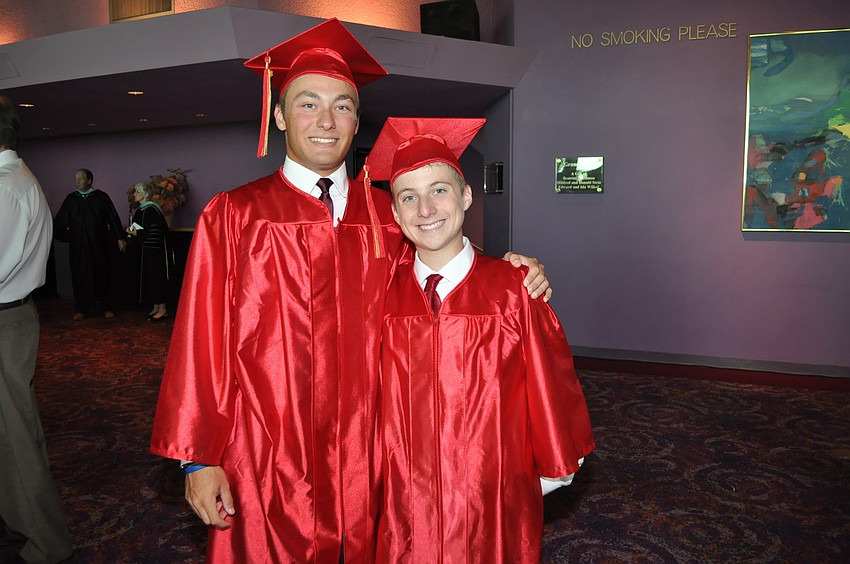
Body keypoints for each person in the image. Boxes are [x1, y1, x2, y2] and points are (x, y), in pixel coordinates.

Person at [150, 19, 550, 563]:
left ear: (357, 121)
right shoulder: (237, 215)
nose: (326, 119)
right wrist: (198, 459)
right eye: (308, 103)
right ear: (278, 115)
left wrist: (511, 271)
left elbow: (445, 279)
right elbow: (200, 341)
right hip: (267, 448)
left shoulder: (389, 214)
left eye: (343, 105)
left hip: (375, 450)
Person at [366, 117, 596, 562]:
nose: (425, 209)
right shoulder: (381, 295)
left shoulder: (514, 289)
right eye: (408, 197)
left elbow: (550, 391)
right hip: (404, 504)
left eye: (439, 190)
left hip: (491, 502)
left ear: (466, 196)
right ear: (394, 214)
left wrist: (532, 480)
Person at [0, 95, 74, 564]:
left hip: (5, 318)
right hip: (12, 315)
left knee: (15, 435)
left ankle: (46, 544)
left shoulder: (7, 187)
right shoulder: (13, 181)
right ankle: (17, 524)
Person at [53, 168, 127, 320]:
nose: (77, 182)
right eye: (76, 179)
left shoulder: (101, 197)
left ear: (89, 180)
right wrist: (62, 235)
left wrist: (120, 237)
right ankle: (81, 309)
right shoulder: (71, 199)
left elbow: (113, 217)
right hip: (78, 245)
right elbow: (61, 221)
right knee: (79, 275)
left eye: (81, 179)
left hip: (99, 243)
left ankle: (106, 307)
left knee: (102, 273)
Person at [126, 181, 173, 320]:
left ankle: (162, 309)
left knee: (157, 278)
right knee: (151, 279)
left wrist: (136, 234)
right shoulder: (141, 210)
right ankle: (156, 307)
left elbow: (154, 233)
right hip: (147, 251)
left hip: (156, 251)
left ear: (145, 194)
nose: (135, 194)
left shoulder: (152, 210)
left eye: (137, 192)